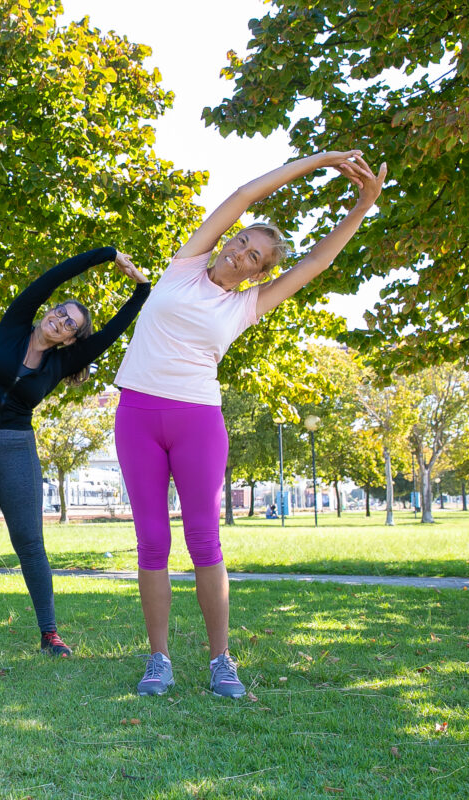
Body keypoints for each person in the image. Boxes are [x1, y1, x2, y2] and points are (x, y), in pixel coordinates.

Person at [114, 150, 387, 698]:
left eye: (256, 258)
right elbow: (244, 195)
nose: (243, 254)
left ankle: (221, 661)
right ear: (229, 241)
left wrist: (363, 204)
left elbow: (317, 265)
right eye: (243, 242)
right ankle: (159, 659)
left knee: (204, 541)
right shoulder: (186, 264)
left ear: (260, 273)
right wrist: (321, 162)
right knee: (151, 543)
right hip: (138, 415)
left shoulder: (244, 307)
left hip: (197, 421)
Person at [0, 247, 150, 662]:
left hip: (15, 450)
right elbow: (54, 276)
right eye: (61, 313)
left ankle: (50, 634)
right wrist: (108, 255)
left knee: (30, 543)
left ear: (70, 339)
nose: (61, 321)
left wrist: (141, 291)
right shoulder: (14, 325)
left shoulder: (63, 362)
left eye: (71, 325)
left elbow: (113, 331)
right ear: (49, 312)